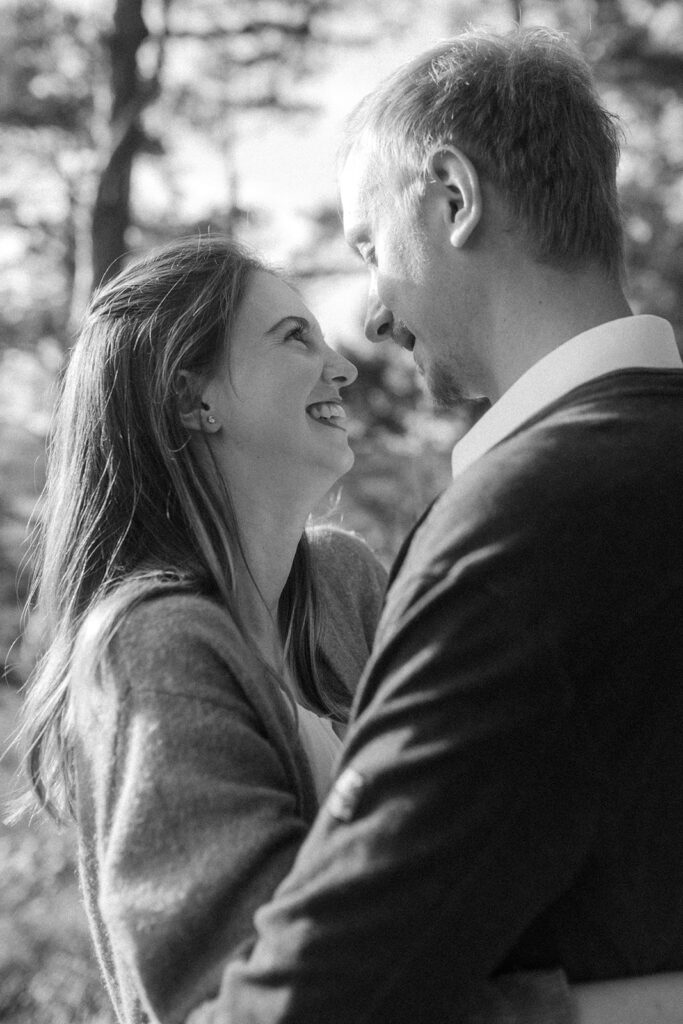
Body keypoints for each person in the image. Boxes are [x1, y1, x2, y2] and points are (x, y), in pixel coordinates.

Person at [203, 26, 683, 1024]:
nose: (373, 317)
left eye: (371, 250)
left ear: (453, 197)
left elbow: (327, 988)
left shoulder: (519, 529)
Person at [16, 235, 595, 1024]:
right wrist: (576, 1012)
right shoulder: (152, 647)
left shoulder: (341, 583)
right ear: (191, 397)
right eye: (294, 338)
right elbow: (234, 999)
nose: (343, 368)